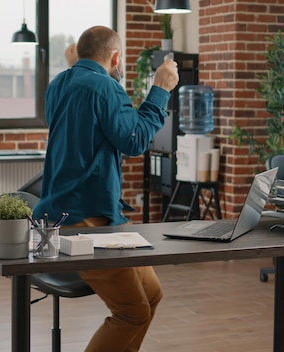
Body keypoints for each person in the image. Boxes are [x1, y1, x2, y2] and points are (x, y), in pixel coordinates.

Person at [33, 25, 179, 352]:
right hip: (86, 220)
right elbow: (135, 141)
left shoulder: (58, 84)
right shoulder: (106, 88)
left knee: (152, 295)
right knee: (132, 312)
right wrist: (161, 88)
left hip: (82, 214)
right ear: (116, 57)